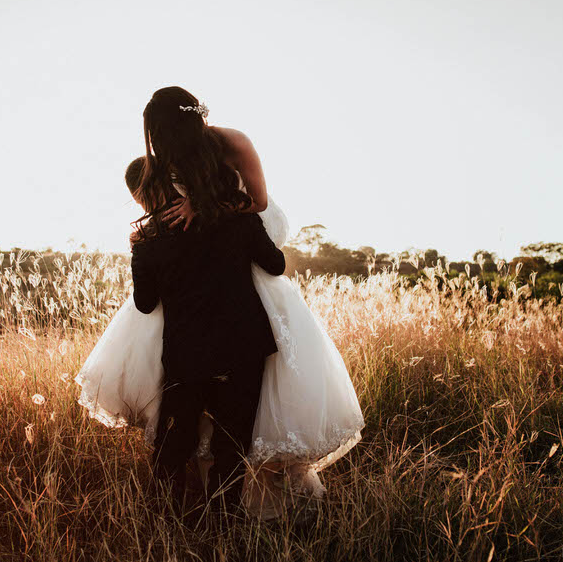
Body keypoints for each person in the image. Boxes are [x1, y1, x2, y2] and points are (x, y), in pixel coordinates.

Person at [76, 87, 364, 518]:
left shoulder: (234, 145)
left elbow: (259, 203)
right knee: (228, 428)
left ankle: (173, 511)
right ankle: (220, 510)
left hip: (219, 260)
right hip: (229, 304)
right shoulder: (167, 174)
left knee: (180, 424)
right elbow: (275, 262)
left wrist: (201, 209)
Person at [125, 157, 287, 511]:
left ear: (142, 198)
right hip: (242, 347)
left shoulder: (148, 240)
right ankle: (224, 520)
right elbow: (276, 264)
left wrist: (137, 251)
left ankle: (166, 520)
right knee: (232, 441)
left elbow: (146, 304)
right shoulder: (233, 217)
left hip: (187, 354)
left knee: (174, 441)